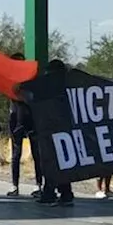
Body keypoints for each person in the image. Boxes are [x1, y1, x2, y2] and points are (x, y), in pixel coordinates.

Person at [37, 59, 75, 207]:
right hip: (66, 129)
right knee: (63, 162)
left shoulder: (49, 87)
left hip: (50, 129)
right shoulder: (69, 84)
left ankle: (50, 192)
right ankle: (65, 192)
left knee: (50, 161)